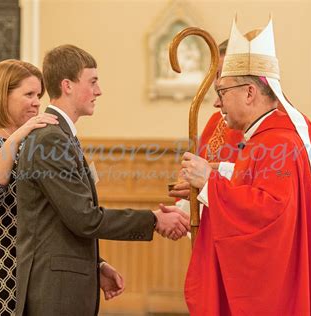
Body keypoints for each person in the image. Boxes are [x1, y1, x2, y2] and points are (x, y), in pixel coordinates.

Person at [15, 44, 190, 316]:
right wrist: (154, 220)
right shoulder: (51, 138)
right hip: (54, 291)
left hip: (62, 283)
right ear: (67, 85)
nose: (99, 91)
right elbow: (84, 218)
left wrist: (95, 265)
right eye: (93, 82)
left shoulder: (60, 135)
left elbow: (56, 221)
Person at [179, 17, 311, 315]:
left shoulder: (278, 143)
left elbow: (268, 211)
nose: (216, 103)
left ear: (250, 93)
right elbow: (254, 187)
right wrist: (212, 179)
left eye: (222, 92)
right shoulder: (264, 139)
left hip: (275, 291)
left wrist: (210, 182)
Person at [0, 59, 59, 316]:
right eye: (28, 94)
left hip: (37, 273)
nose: (37, 102)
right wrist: (17, 135)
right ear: (2, 96)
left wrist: (98, 263)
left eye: (38, 94)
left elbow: (58, 212)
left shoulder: (37, 147)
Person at [169, 39, 243, 201]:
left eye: (223, 75)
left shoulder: (287, 126)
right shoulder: (217, 120)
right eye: (215, 74)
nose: (217, 81)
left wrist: (206, 184)